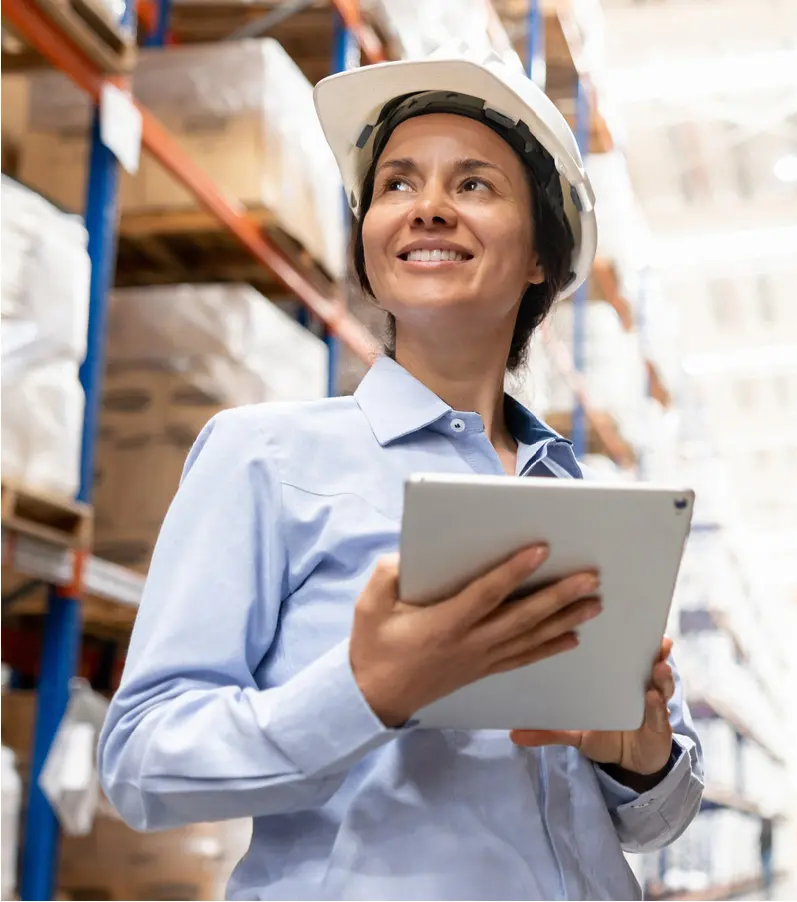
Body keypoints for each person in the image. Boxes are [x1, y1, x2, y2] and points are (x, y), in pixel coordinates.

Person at [97, 45, 704, 900]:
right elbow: (142, 764)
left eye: (473, 185)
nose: (426, 209)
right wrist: (367, 691)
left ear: (540, 259)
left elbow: (655, 819)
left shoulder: (588, 510)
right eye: (396, 185)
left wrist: (638, 760)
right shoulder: (264, 458)